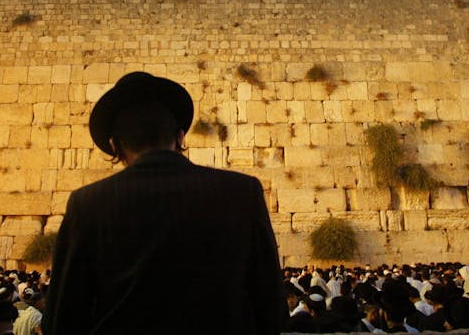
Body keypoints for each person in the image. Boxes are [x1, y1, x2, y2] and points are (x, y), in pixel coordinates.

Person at [42, 72, 286, 334]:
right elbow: (273, 311)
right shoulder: (242, 192)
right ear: (181, 137)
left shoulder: (87, 205)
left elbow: (61, 321)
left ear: (115, 146)